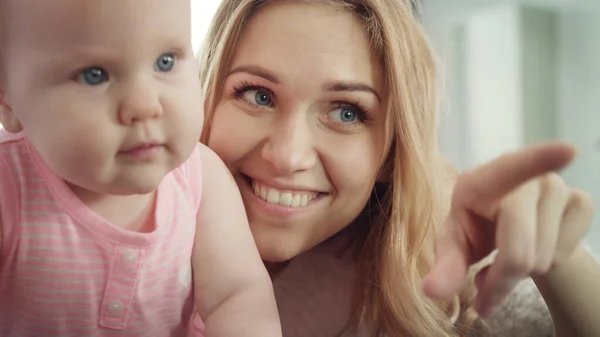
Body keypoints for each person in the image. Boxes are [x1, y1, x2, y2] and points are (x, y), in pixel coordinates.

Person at [197, 0, 600, 336]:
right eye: (258, 95)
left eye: (346, 112)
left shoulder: (450, 282)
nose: (287, 156)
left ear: (390, 155)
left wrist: (561, 265)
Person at [0, 0, 281, 336]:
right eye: (95, 75)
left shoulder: (201, 177)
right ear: (7, 100)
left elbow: (236, 294)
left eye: (165, 62)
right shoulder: (9, 186)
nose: (145, 104)